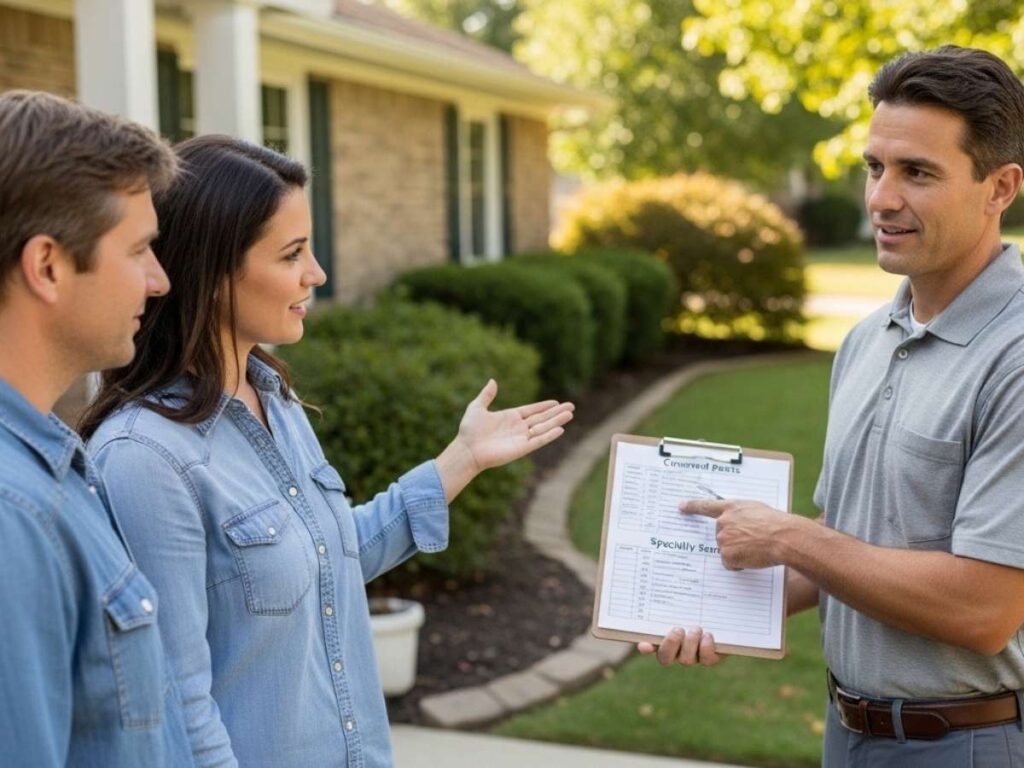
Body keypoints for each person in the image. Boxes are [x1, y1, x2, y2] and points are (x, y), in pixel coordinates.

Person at [78, 134, 575, 768]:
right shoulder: (144, 459)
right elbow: (179, 707)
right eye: (292, 254)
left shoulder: (276, 400)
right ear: (212, 272)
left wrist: (462, 460)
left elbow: (327, 557)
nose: (317, 273)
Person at [641, 46, 1024, 766]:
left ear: (999, 187)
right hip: (846, 734)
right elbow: (849, 541)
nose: (880, 197)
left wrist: (789, 538)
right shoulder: (866, 340)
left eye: (918, 172)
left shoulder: (1017, 359)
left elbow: (985, 607)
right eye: (875, 167)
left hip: (967, 744)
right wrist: (711, 611)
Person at [0, 91, 195, 765]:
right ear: (48, 266)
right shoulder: (13, 516)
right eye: (139, 249)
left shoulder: (47, 465)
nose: (160, 280)